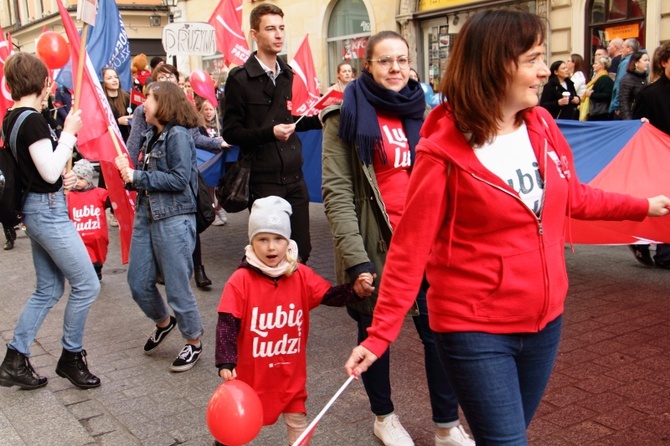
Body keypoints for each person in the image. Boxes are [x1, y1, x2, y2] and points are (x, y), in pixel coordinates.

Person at [343, 10, 670, 445]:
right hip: (472, 328)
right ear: (495, 65)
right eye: (534, 59)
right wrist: (381, 332)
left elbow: (573, 197)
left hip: (545, 322)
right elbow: (410, 248)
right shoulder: (441, 151)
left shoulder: (542, 126)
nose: (543, 71)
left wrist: (644, 206)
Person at [322, 30, 474, 446]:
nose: (395, 69)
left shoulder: (425, 115)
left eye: (402, 60)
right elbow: (337, 194)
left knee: (438, 333)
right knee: (376, 335)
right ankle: (383, 416)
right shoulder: (344, 116)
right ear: (367, 65)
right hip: (376, 245)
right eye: (385, 61)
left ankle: (446, 425)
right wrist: (356, 260)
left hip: (427, 243)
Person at [214, 196, 371, 445]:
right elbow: (227, 321)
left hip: (290, 373)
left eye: (278, 239)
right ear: (252, 242)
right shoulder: (240, 280)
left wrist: (354, 291)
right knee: (237, 423)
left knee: (298, 422)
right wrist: (225, 359)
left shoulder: (300, 275)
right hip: (252, 376)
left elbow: (329, 295)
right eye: (263, 239)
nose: (271, 247)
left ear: (288, 242)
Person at [0, 53, 101, 390]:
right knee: (87, 284)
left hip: (39, 206)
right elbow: (48, 170)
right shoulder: (32, 120)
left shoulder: (12, 117)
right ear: (43, 82)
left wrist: (62, 179)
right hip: (47, 211)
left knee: (49, 288)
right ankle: (70, 357)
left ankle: (15, 358)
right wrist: (70, 134)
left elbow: (41, 173)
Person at [221, 3, 322, 264]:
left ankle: (294, 304)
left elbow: (289, 122)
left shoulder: (288, 73)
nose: (278, 35)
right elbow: (231, 133)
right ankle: (269, 302)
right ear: (254, 34)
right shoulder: (240, 78)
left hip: (294, 175)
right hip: (264, 180)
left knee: (301, 250)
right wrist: (269, 133)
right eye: (270, 29)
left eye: (281, 28)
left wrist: (318, 119)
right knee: (270, 255)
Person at [115, 81, 205, 372]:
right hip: (147, 214)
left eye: (150, 100)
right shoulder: (152, 135)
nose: (144, 105)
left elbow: (179, 181)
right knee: (138, 283)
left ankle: (193, 341)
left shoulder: (177, 135)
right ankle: (165, 322)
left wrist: (137, 177)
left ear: (164, 103)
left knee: (178, 288)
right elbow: (142, 174)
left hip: (173, 218)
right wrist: (128, 172)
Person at [630, 42, 670, 269]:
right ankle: (657, 249)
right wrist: (640, 125)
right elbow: (636, 129)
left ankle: (659, 249)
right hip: (657, 159)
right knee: (663, 202)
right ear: (664, 62)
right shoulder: (650, 93)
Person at [67, 159, 110, 281]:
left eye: (81, 179)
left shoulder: (99, 193)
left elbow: (111, 201)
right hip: (79, 237)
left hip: (98, 237)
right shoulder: (69, 196)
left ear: (89, 179)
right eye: (75, 178)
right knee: (83, 259)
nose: (77, 182)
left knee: (98, 258)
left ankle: (98, 270)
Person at [194, 97, 229, 227]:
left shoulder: (220, 123)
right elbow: (199, 141)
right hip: (208, 160)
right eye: (206, 109)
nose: (208, 112)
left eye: (211, 109)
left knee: (222, 186)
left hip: (220, 159)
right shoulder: (199, 126)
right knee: (209, 189)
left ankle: (219, 208)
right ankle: (212, 212)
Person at [609, 38, 641, 118]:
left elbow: (620, 84)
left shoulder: (626, 62)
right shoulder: (640, 61)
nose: (621, 51)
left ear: (630, 49)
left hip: (622, 106)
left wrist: (617, 105)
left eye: (623, 48)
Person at [101, 67, 133, 142]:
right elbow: (99, 124)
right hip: (111, 141)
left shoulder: (128, 96)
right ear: (103, 82)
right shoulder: (102, 100)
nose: (114, 80)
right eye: (109, 78)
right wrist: (117, 122)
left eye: (116, 77)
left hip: (127, 139)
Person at [618, 51, 649, 120]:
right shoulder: (627, 79)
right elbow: (624, 102)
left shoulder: (644, 78)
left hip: (642, 118)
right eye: (645, 60)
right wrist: (628, 120)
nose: (647, 63)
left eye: (648, 60)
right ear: (636, 63)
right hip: (632, 119)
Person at [582, 55, 614, 121]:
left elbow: (608, 95)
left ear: (602, 65)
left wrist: (591, 95)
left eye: (595, 63)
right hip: (596, 113)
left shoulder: (605, 79)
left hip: (601, 114)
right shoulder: (597, 78)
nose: (593, 65)